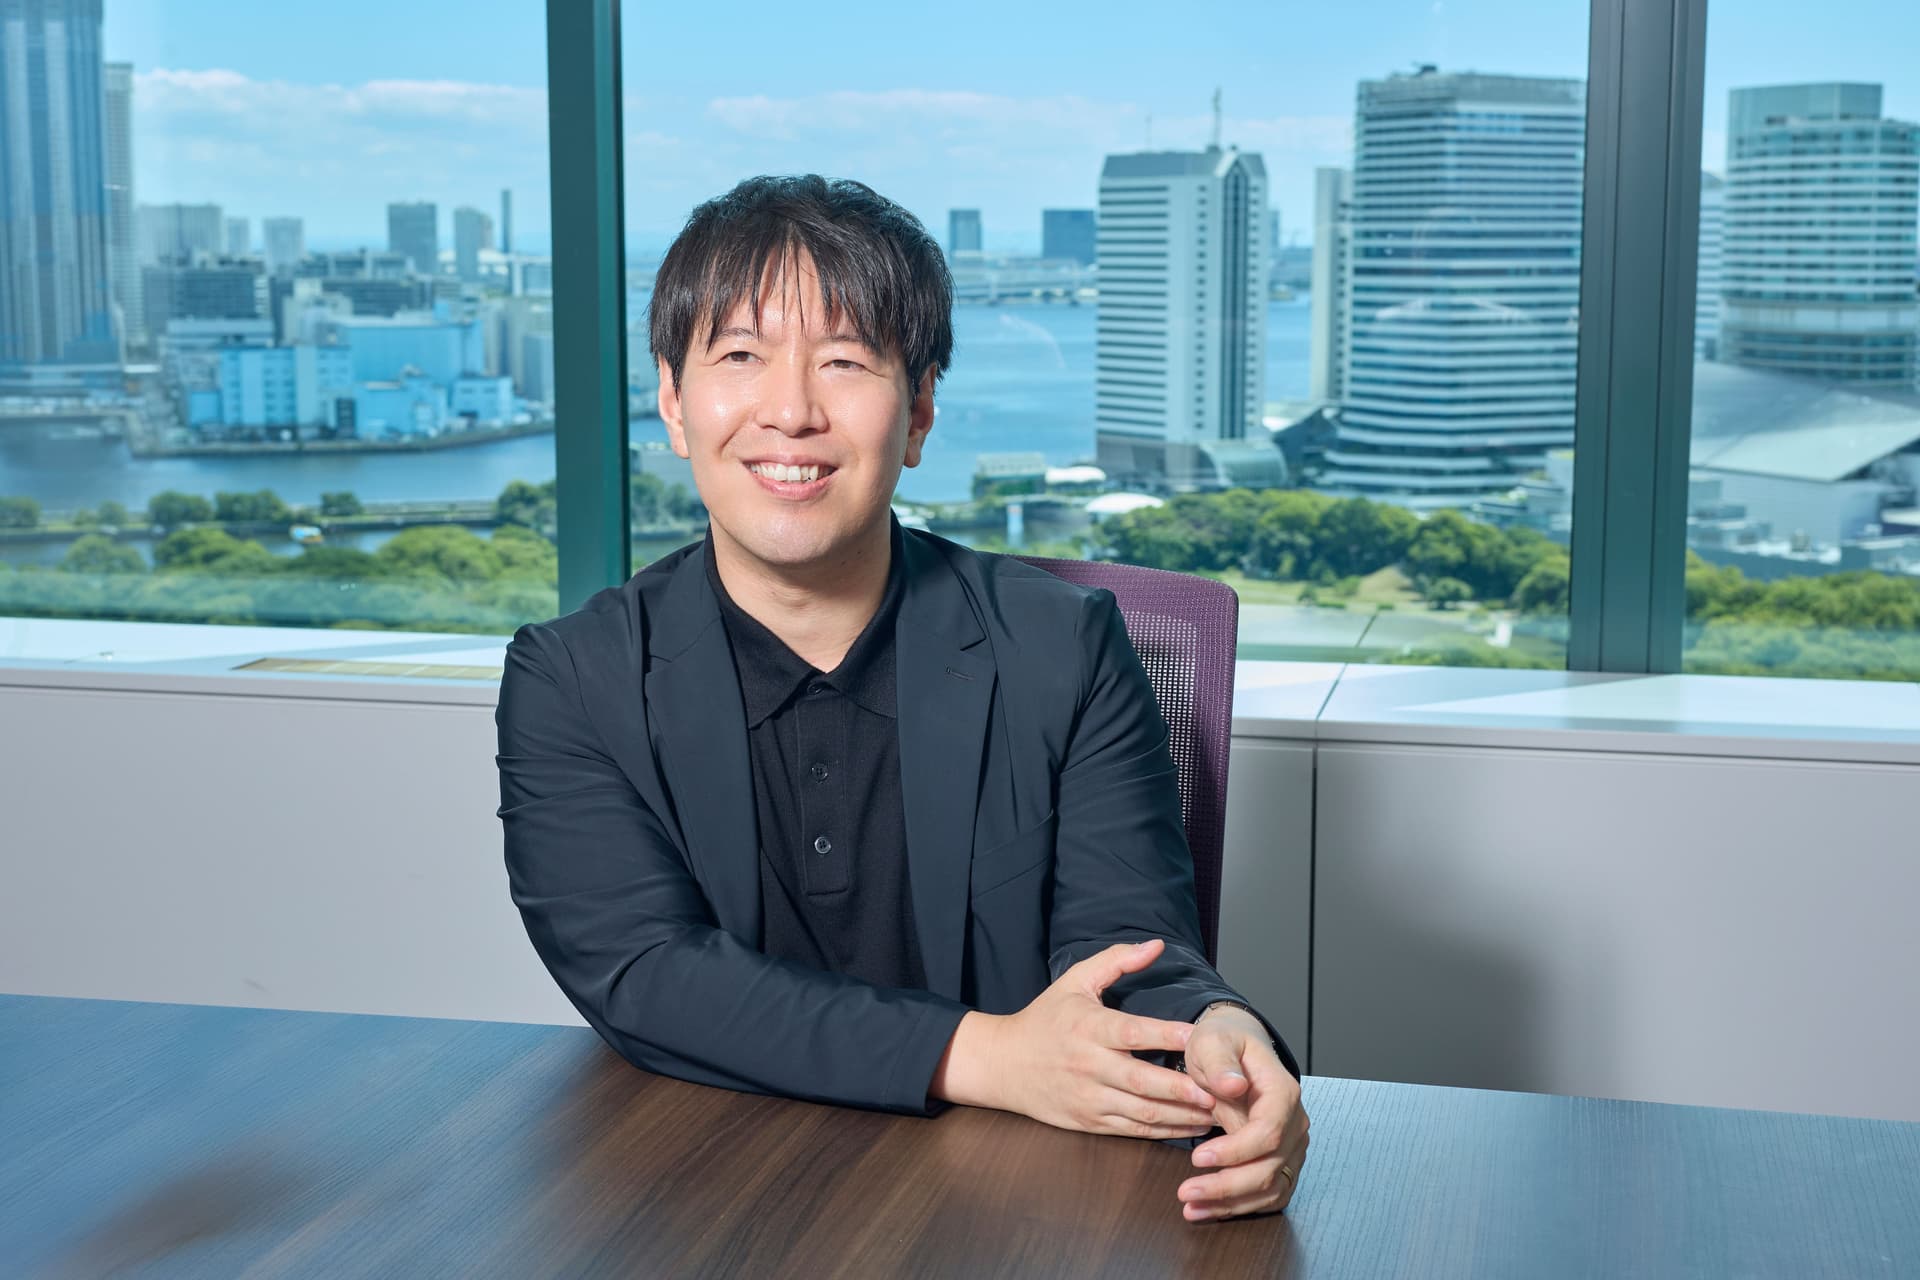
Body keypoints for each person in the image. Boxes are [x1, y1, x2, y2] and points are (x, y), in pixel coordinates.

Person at [495, 174, 1309, 1222]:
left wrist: (1220, 1033)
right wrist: (986, 1051)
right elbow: (648, 974)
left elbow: (1127, 949)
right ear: (673, 401)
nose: (790, 410)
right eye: (739, 356)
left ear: (919, 410)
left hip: (1016, 1206)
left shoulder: (1067, 646)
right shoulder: (573, 679)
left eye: (845, 361)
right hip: (697, 1195)